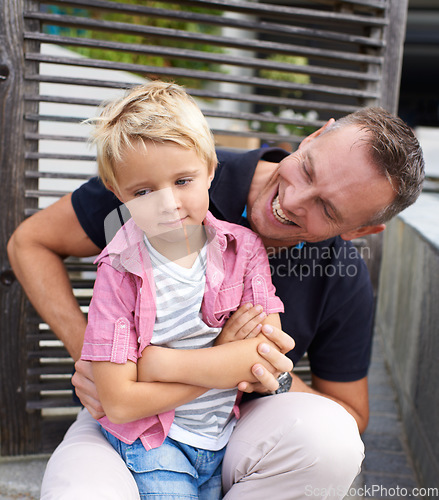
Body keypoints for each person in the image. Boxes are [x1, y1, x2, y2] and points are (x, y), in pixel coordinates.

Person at [7, 95, 424, 499]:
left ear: (359, 231)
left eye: (328, 209)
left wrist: (268, 374)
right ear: (314, 136)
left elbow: (351, 415)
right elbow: (31, 243)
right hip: (129, 424)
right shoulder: (167, 169)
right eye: (309, 171)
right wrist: (96, 358)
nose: (292, 201)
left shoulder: (337, 274)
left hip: (240, 428)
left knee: (331, 440)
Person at [79, 81, 289, 498]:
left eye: (183, 180)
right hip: (151, 443)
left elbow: (264, 357)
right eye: (143, 191)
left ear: (210, 169)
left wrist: (156, 365)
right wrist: (219, 360)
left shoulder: (242, 248)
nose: (168, 203)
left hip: (221, 437)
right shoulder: (119, 271)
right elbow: (120, 403)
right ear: (118, 193)